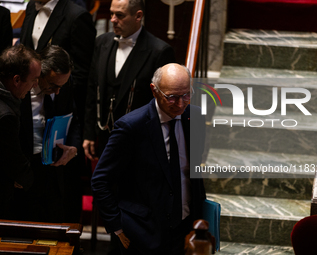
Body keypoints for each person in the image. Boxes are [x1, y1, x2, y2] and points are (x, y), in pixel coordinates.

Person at [91, 63, 206, 255]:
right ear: (154, 90)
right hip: (142, 233)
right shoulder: (130, 127)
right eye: (172, 97)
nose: (180, 104)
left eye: (186, 95)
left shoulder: (194, 117)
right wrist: (117, 227)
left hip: (185, 229)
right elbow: (101, 180)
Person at [83, 0, 176, 160]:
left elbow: (162, 105)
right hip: (104, 139)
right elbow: (92, 90)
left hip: (138, 142)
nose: (112, 19)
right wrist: (89, 133)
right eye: (112, 13)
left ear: (138, 16)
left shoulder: (159, 52)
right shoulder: (101, 42)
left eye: (119, 15)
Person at [14, 45, 81, 223]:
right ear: (39, 74)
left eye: (62, 86)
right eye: (52, 85)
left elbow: (73, 118)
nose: (58, 91)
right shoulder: (20, 88)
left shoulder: (64, 83)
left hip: (53, 170)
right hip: (24, 169)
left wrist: (73, 147)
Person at [20, 0, 96, 130]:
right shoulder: (31, 6)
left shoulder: (77, 16)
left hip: (57, 105)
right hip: (29, 101)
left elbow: (81, 73)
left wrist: (57, 95)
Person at [0, 44, 41, 219]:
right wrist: (25, 179)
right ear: (17, 80)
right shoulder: (5, 117)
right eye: (34, 80)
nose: (35, 85)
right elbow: (14, 163)